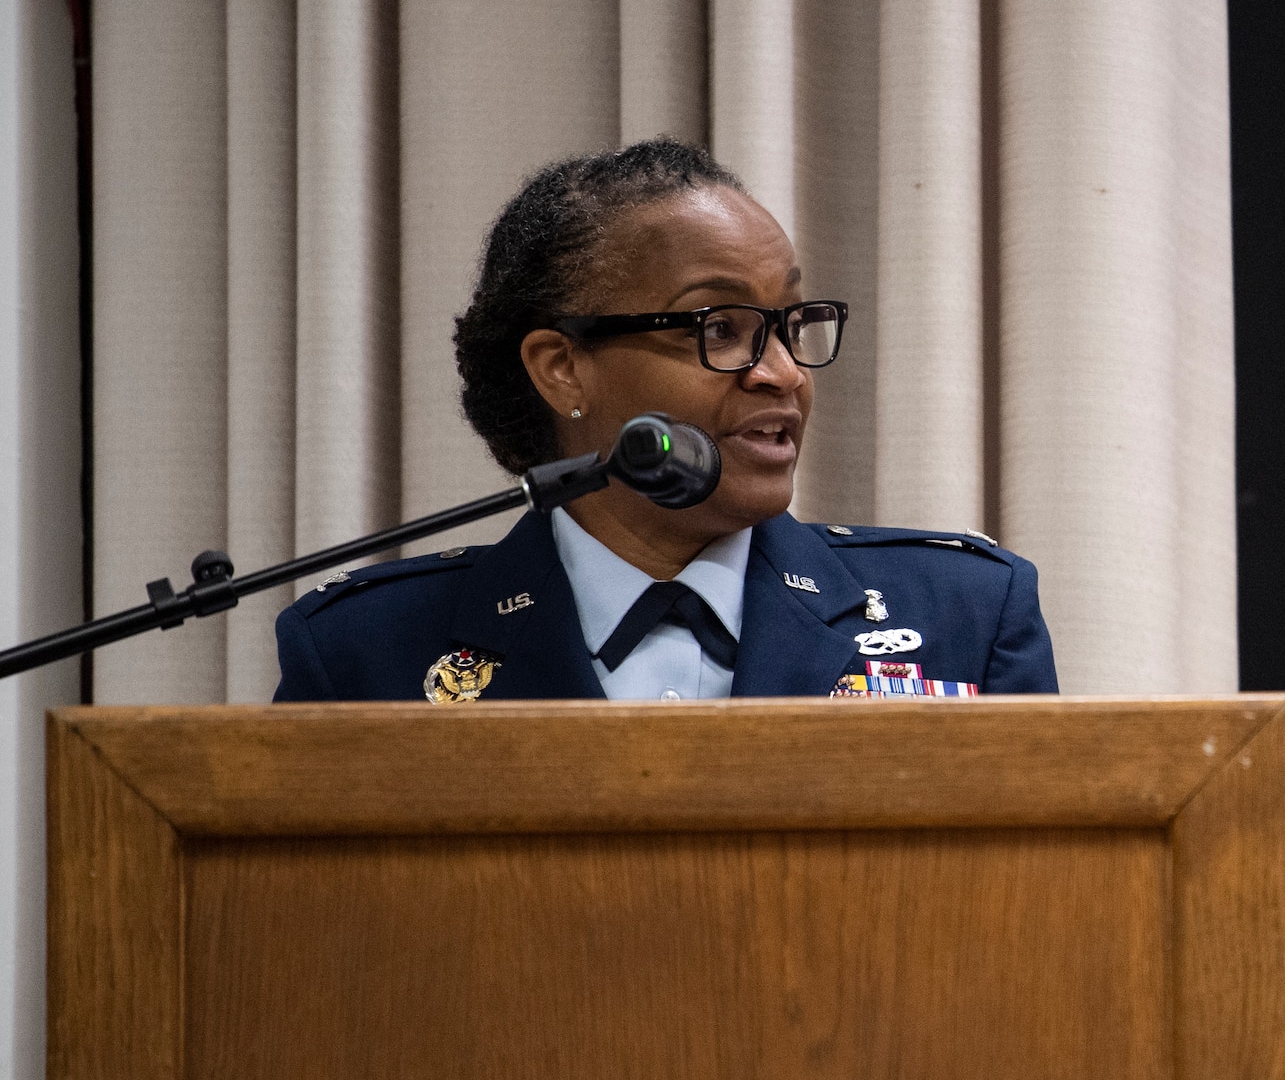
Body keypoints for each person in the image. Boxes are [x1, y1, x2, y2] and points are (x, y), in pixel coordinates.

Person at [273, 138, 1057, 703]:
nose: (781, 372)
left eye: (790, 324)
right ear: (562, 367)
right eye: (718, 330)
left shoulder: (966, 613)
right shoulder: (362, 654)